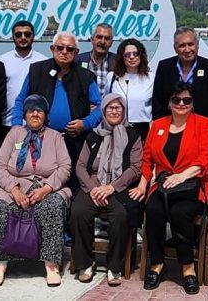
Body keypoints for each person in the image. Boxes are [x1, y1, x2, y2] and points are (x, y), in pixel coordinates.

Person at [131, 82, 208, 294]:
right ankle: (157, 264)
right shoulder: (158, 125)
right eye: (176, 100)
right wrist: (143, 183)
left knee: (180, 214)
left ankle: (188, 268)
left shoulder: (204, 124)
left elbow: (206, 159)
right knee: (153, 210)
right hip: (162, 186)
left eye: (186, 100)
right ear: (169, 103)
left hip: (193, 185)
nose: (181, 104)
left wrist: (181, 176)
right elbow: (147, 159)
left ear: (192, 103)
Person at [0, 95, 73, 287]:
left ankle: (51, 265)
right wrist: (14, 190)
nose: (35, 113)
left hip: (47, 186)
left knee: (51, 207)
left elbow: (65, 167)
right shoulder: (14, 134)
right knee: (0, 206)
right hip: (15, 185)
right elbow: (0, 166)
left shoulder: (55, 136)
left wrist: (46, 189)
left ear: (45, 115)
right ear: (25, 114)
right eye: (31, 110)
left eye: (39, 110)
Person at [70, 93, 143, 287]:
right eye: (110, 107)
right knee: (79, 212)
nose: (114, 111)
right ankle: (85, 263)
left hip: (118, 187)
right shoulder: (93, 135)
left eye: (118, 107)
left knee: (120, 216)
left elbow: (135, 168)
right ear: (102, 111)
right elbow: (80, 166)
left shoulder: (133, 136)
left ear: (124, 111)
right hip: (93, 186)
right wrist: (95, 189)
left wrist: (111, 187)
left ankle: (114, 266)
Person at [10, 31, 101, 167]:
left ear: (76, 52)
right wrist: (17, 126)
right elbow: (20, 100)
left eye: (69, 49)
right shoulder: (37, 70)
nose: (64, 52)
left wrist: (86, 123)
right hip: (39, 138)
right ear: (52, 49)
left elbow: (101, 106)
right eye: (60, 47)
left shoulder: (85, 76)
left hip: (74, 141)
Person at [152, 27, 208, 133]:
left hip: (203, 131)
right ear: (175, 48)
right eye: (182, 46)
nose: (187, 49)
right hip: (171, 130)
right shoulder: (164, 67)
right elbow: (157, 103)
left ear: (197, 45)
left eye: (190, 44)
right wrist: (160, 130)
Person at [0, 19, 46, 129]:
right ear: (12, 37)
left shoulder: (44, 62)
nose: (23, 37)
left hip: (37, 122)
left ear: (33, 36)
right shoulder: (1, 62)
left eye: (27, 34)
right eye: (18, 34)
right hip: (6, 122)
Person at [107, 38, 154, 140]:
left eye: (136, 54)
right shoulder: (112, 77)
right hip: (118, 127)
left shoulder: (151, 78)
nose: (132, 57)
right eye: (127, 55)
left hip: (144, 129)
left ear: (141, 55)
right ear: (121, 58)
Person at [76, 22, 115, 95]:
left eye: (107, 38)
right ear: (92, 40)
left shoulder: (118, 62)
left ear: (111, 42)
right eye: (99, 37)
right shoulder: (77, 61)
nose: (102, 42)